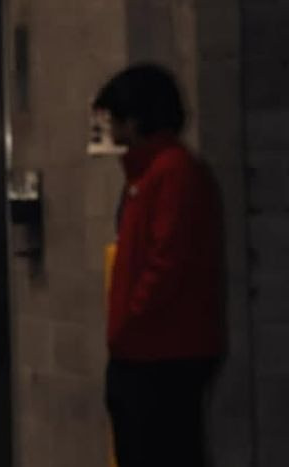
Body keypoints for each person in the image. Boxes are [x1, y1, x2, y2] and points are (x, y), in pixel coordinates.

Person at [93, 64, 223, 467]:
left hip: (160, 352)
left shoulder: (171, 173)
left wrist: (131, 319)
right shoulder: (152, 173)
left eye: (114, 120)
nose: (111, 132)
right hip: (151, 348)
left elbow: (166, 262)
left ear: (134, 121)